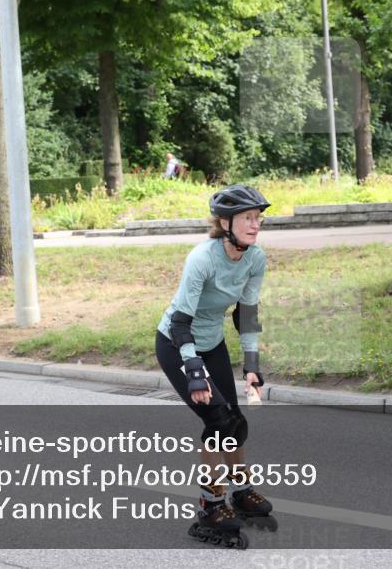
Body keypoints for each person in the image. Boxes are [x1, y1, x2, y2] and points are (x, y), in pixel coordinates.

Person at [155, 184, 274, 544]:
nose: (255, 225)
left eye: (258, 218)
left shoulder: (255, 259)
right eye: (247, 219)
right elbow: (180, 321)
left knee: (235, 423)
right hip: (178, 345)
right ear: (225, 222)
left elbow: (247, 316)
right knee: (218, 421)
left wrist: (251, 365)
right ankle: (210, 505)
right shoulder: (202, 258)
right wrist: (194, 373)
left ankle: (241, 491)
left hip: (212, 343)